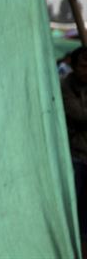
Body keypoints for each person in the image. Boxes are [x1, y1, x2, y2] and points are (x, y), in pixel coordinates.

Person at [61, 46, 87, 254]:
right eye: (82, 65)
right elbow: (78, 114)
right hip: (76, 155)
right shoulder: (66, 86)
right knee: (76, 206)